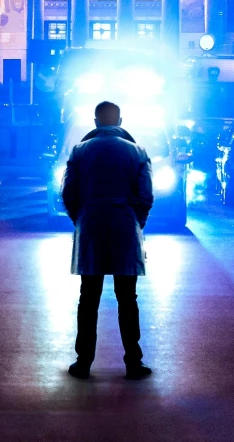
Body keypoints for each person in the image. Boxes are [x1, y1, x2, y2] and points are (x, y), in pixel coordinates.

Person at [61, 99, 153, 380]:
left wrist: (81, 218)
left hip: (91, 224)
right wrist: (137, 221)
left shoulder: (79, 151)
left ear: (96, 122)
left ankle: (83, 362)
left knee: (88, 298)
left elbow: (68, 193)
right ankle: (133, 362)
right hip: (125, 225)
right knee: (128, 298)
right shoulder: (137, 152)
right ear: (120, 122)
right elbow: (146, 195)